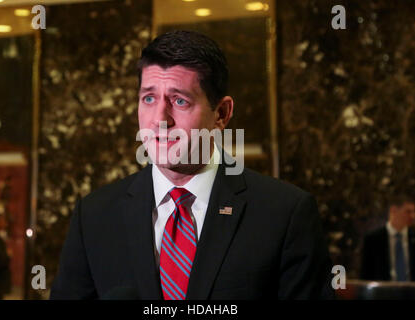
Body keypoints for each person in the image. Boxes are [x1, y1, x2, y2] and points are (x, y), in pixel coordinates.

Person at [50, 30, 334, 300]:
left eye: (179, 100)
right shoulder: (94, 216)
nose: (160, 119)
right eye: (149, 98)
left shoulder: (285, 214)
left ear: (221, 114)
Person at [361, 196, 415, 281]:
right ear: (394, 210)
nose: (413, 216)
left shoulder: (413, 237)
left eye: (413, 212)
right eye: (408, 212)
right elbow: (366, 275)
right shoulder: (373, 239)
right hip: (383, 292)